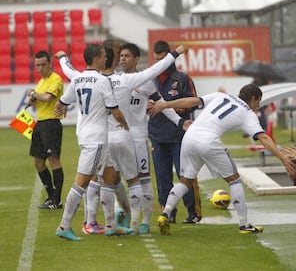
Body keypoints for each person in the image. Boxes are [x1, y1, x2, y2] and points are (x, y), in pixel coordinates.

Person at [56, 42, 190, 236]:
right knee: (133, 180)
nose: (123, 59)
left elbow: (68, 74)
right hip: (120, 136)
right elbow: (154, 70)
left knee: (105, 180)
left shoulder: (81, 78)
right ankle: (132, 224)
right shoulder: (126, 80)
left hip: (98, 137)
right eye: (121, 56)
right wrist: (175, 53)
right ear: (111, 59)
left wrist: (62, 58)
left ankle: (105, 223)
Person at [147, 83, 296, 235]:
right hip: (208, 140)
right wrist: (283, 158)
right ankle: (244, 225)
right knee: (234, 180)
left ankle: (165, 213)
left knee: (185, 182)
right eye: (258, 102)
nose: (258, 106)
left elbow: (193, 101)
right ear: (253, 98)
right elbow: (263, 137)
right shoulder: (247, 113)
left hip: (190, 136)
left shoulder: (221, 96)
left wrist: (165, 104)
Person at [55, 43, 129, 241]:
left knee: (110, 177)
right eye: (104, 55)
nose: (107, 57)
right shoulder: (102, 80)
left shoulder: (78, 78)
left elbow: (63, 101)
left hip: (86, 136)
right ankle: (64, 226)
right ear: (96, 58)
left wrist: (59, 108)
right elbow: (114, 110)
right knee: (81, 184)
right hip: (96, 140)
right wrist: (124, 123)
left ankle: (112, 225)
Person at [148, 40, 202, 224]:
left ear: (170, 58)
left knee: (184, 174)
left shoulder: (183, 79)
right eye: (155, 60)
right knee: (162, 177)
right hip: (156, 134)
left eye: (161, 59)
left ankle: (193, 213)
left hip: (180, 136)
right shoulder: (151, 80)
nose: (158, 63)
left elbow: (193, 102)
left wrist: (169, 108)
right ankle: (167, 212)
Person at [27, 50, 64, 210]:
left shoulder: (56, 79)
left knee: (53, 160)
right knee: (38, 162)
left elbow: (48, 97)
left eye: (43, 65)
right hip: (40, 123)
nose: (40, 68)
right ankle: (50, 196)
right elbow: (39, 101)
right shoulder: (41, 82)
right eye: (37, 65)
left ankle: (57, 200)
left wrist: (35, 94)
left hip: (51, 123)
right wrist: (32, 98)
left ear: (50, 64)